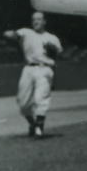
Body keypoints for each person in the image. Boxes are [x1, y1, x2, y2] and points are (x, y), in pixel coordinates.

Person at [4, 10, 62, 138]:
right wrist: (11, 34)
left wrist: (54, 50)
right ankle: (33, 124)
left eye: (39, 19)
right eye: (34, 19)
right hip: (29, 69)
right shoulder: (26, 32)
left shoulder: (52, 37)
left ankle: (39, 129)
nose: (36, 21)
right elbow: (12, 35)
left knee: (40, 98)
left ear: (44, 21)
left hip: (45, 69)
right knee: (23, 102)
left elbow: (59, 52)